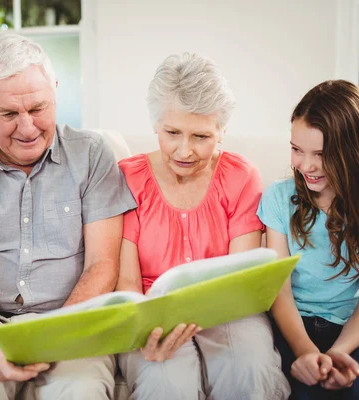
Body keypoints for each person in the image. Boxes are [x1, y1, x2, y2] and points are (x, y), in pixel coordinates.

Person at [0, 34, 136, 400]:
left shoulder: (93, 154)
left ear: (55, 90)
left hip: (73, 318)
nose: (26, 128)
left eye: (38, 108)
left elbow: (102, 264)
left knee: (80, 392)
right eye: (7, 114)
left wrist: (58, 333)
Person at [116, 53, 290, 400]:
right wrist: (147, 327)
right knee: (167, 383)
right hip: (150, 311)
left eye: (201, 136)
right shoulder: (128, 177)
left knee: (249, 373)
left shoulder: (241, 176)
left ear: (222, 131)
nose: (185, 150)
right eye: (172, 133)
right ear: (155, 125)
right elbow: (128, 281)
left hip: (226, 309)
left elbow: (239, 283)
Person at [258, 80, 359, 399]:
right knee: (305, 392)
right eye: (296, 149)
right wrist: (305, 351)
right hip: (291, 326)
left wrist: (337, 353)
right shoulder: (279, 198)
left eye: (322, 153)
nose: (306, 165)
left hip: (353, 331)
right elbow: (281, 293)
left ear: (354, 151)